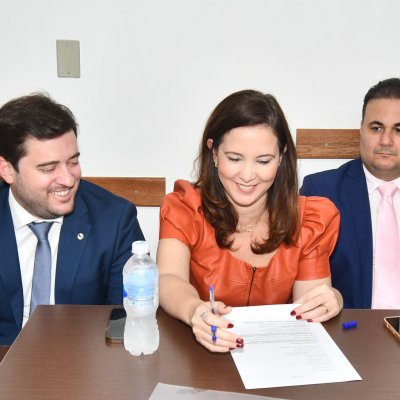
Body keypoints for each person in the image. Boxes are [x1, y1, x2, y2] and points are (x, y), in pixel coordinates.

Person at [157, 89, 343, 353]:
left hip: (276, 356)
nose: (247, 175)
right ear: (214, 152)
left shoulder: (311, 219)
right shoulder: (185, 207)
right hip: (198, 354)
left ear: (282, 157)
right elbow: (168, 277)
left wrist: (330, 300)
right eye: (234, 158)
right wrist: (194, 310)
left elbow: (308, 306)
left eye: (263, 161)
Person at [0, 93, 144, 345]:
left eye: (73, 162)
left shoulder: (115, 220)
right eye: (48, 168)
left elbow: (124, 322)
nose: (68, 180)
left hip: (82, 358)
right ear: (8, 170)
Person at [300, 77, 400, 309]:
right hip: (349, 328)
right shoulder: (321, 192)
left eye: (399, 129)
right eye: (376, 128)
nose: (386, 140)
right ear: (361, 130)